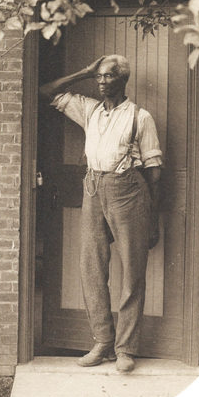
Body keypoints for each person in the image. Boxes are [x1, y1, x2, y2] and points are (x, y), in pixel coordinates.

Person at [39, 55, 162, 372]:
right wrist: (84, 71)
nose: (102, 82)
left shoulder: (140, 117)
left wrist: (153, 217)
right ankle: (103, 342)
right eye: (99, 77)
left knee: (132, 271)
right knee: (91, 267)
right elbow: (46, 91)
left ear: (123, 80)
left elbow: (154, 169)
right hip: (93, 188)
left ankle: (125, 349)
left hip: (128, 190)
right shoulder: (89, 110)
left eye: (108, 76)